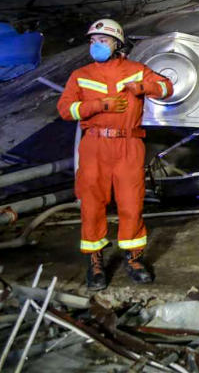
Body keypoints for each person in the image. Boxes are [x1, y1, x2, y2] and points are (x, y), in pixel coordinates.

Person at [56, 19, 173, 291]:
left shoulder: (136, 71)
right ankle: (95, 262)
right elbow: (64, 109)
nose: (96, 46)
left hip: (128, 146)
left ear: (118, 44)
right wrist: (98, 105)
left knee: (131, 203)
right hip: (94, 146)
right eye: (93, 41)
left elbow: (168, 87)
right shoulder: (81, 75)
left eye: (103, 41)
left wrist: (145, 87)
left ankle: (133, 259)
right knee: (92, 204)